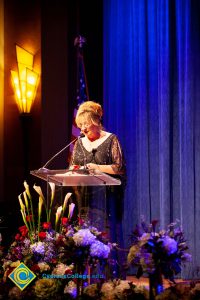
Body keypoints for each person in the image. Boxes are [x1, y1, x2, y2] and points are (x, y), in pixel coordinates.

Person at [70, 100, 126, 279]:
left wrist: (97, 168)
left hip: (108, 198)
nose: (82, 129)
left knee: (107, 237)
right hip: (86, 200)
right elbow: (74, 167)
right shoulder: (79, 143)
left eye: (86, 124)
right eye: (80, 125)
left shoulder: (111, 139)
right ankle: (88, 278)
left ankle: (112, 279)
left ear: (96, 121)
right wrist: (74, 170)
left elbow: (119, 168)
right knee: (87, 236)